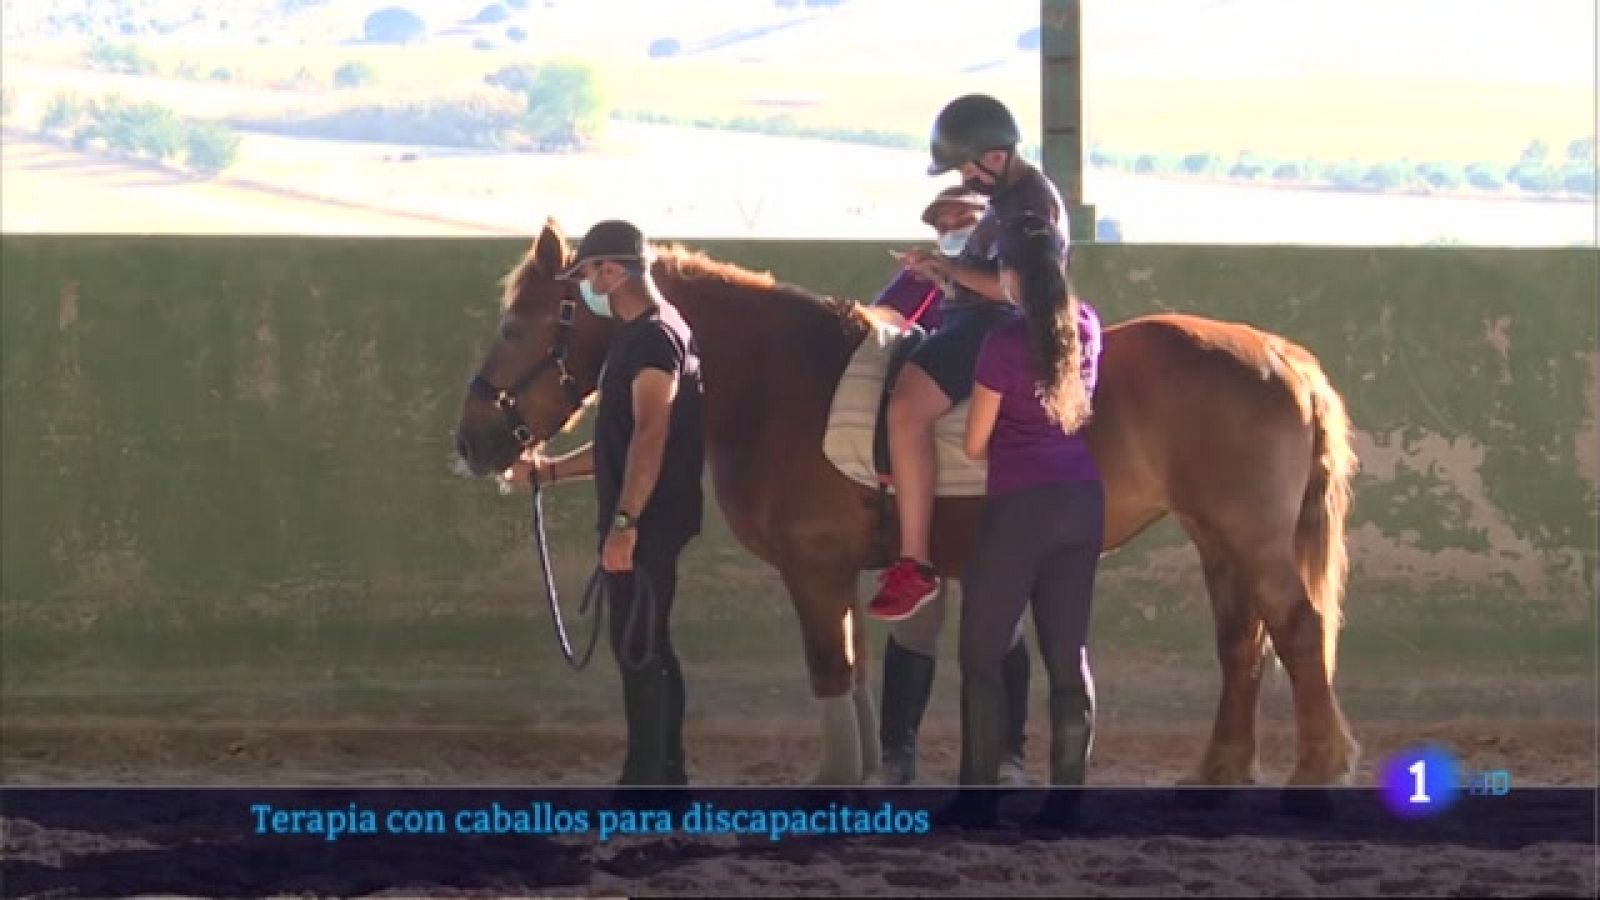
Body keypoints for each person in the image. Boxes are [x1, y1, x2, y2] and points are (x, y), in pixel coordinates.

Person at [869, 93, 1066, 788]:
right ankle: (911, 752)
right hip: (968, 320)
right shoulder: (1009, 198)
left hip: (990, 330)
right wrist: (940, 273)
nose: (966, 183)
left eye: (969, 172)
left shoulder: (1027, 206)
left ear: (996, 154)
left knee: (904, 410)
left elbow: (1016, 289)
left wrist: (948, 272)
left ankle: (914, 557)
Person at [504, 219, 705, 787]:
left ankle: (646, 785)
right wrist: (550, 472)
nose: (587, 286)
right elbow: (622, 443)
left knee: (639, 650)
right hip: (647, 516)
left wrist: (625, 522)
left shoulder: (653, 340)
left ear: (612, 271)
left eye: (589, 273)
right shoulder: (647, 335)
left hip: (648, 520)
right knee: (647, 645)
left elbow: (651, 433)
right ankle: (666, 781)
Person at [957, 213, 1103, 829]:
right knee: (1068, 656)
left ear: (1010, 275)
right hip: (1083, 501)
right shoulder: (1088, 324)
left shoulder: (1003, 343)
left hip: (1021, 507)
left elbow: (974, 442)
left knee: (980, 654)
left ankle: (978, 801)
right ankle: (1067, 802)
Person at [869, 185, 987, 332]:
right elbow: (880, 315)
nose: (953, 230)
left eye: (964, 221)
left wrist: (952, 277)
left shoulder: (1004, 268)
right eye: (943, 227)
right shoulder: (923, 273)